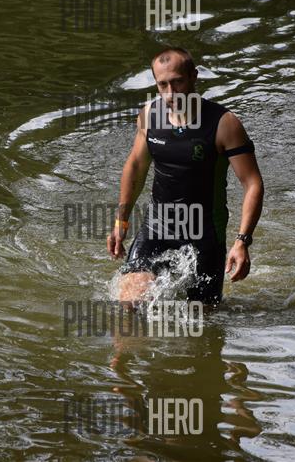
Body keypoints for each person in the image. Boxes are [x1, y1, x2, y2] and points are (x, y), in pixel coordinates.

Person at [107, 47, 263, 304]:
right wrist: (120, 223)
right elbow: (135, 167)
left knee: (203, 320)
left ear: (193, 76)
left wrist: (242, 241)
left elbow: (253, 183)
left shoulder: (224, 124)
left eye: (177, 82)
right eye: (163, 85)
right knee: (129, 301)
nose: (171, 93)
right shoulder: (150, 116)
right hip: (157, 226)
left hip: (204, 233)